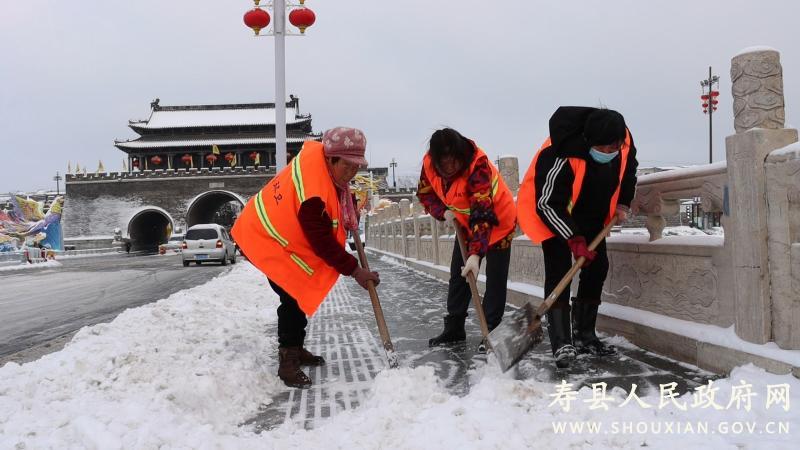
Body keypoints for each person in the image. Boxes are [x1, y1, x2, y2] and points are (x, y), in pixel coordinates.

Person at [231, 127, 380, 388]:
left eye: (357, 166)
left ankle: (296, 348)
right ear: (331, 159)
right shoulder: (314, 190)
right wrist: (355, 270)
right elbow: (321, 241)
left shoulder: (326, 172)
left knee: (296, 297)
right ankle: (287, 360)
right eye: (347, 165)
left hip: (279, 237)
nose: (351, 172)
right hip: (265, 238)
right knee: (291, 297)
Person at [517, 107, 639, 369]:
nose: (607, 152)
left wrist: (623, 203)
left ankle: (585, 335)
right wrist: (573, 238)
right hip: (555, 213)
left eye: (612, 148)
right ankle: (562, 342)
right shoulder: (560, 151)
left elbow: (629, 170)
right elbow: (547, 203)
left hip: (592, 212)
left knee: (597, 266)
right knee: (560, 271)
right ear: (587, 141)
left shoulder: (624, 142)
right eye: (601, 148)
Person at [417, 128, 517, 350]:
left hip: (498, 221)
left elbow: (482, 212)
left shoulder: (477, 165)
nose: (450, 167)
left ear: (461, 154)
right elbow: (425, 194)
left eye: (454, 160)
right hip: (465, 224)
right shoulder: (429, 165)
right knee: (458, 274)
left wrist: (476, 254)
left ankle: (491, 330)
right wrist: (442, 212)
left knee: (495, 278)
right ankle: (455, 327)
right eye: (444, 163)